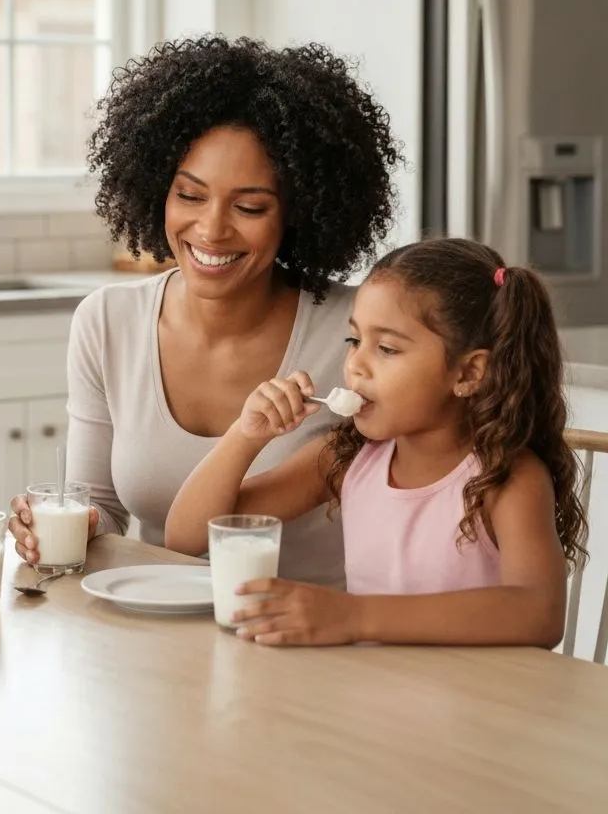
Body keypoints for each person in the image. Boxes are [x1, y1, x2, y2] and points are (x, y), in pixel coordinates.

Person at [9, 36, 403, 586]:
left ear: (298, 212)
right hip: (151, 623)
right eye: (190, 196)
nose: (212, 229)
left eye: (249, 206)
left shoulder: (360, 334)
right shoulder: (106, 321)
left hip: (307, 641)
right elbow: (101, 506)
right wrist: (58, 521)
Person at [164, 238, 588, 647]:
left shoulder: (506, 478)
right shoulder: (347, 459)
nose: (356, 366)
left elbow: (540, 613)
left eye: (386, 348)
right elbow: (188, 536)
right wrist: (245, 434)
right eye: (354, 341)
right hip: (373, 697)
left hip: (477, 708)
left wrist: (354, 617)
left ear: (467, 374)